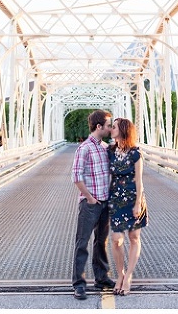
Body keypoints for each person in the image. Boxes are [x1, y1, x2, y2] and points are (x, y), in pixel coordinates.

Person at [71, 109, 115, 300]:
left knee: (101, 241)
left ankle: (101, 277)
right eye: (108, 125)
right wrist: (89, 197)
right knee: (82, 242)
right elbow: (76, 176)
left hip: (105, 202)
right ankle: (79, 284)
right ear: (99, 127)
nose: (110, 128)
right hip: (91, 203)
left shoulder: (105, 147)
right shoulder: (85, 148)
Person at [108, 117, 147, 296]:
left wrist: (138, 203)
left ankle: (128, 276)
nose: (111, 129)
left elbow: (139, 180)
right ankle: (120, 274)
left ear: (123, 130)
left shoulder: (135, 153)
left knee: (133, 238)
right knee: (116, 239)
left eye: (114, 127)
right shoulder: (110, 151)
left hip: (133, 199)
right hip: (116, 200)